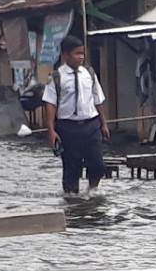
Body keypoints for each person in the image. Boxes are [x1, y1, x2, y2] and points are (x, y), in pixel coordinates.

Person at [43, 38, 108, 193]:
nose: (81, 57)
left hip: (91, 125)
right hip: (68, 127)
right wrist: (51, 130)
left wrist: (103, 123)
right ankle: (72, 204)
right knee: (72, 167)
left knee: (98, 164)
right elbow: (50, 104)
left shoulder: (89, 74)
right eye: (77, 53)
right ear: (66, 55)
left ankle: (92, 190)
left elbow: (98, 99)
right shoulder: (56, 77)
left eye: (82, 53)